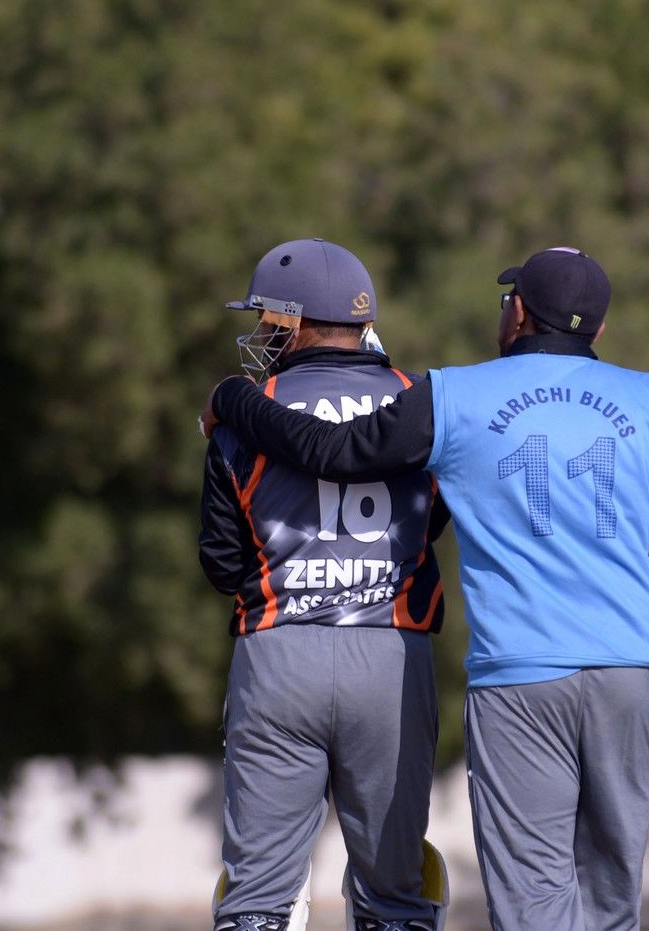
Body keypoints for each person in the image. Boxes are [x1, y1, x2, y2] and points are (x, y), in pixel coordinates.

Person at [201, 246, 649, 931]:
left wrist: (233, 399)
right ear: (600, 328)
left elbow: (330, 457)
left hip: (512, 675)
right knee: (607, 901)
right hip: (620, 672)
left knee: (530, 901)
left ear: (518, 312)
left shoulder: (456, 396)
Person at [199, 238, 451, 931]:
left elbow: (222, 564)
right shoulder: (420, 402)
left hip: (279, 655)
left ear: (293, 321)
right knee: (395, 899)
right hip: (391, 653)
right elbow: (433, 522)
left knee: (257, 901)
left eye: (266, 319)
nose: (260, 334)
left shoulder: (247, 411)